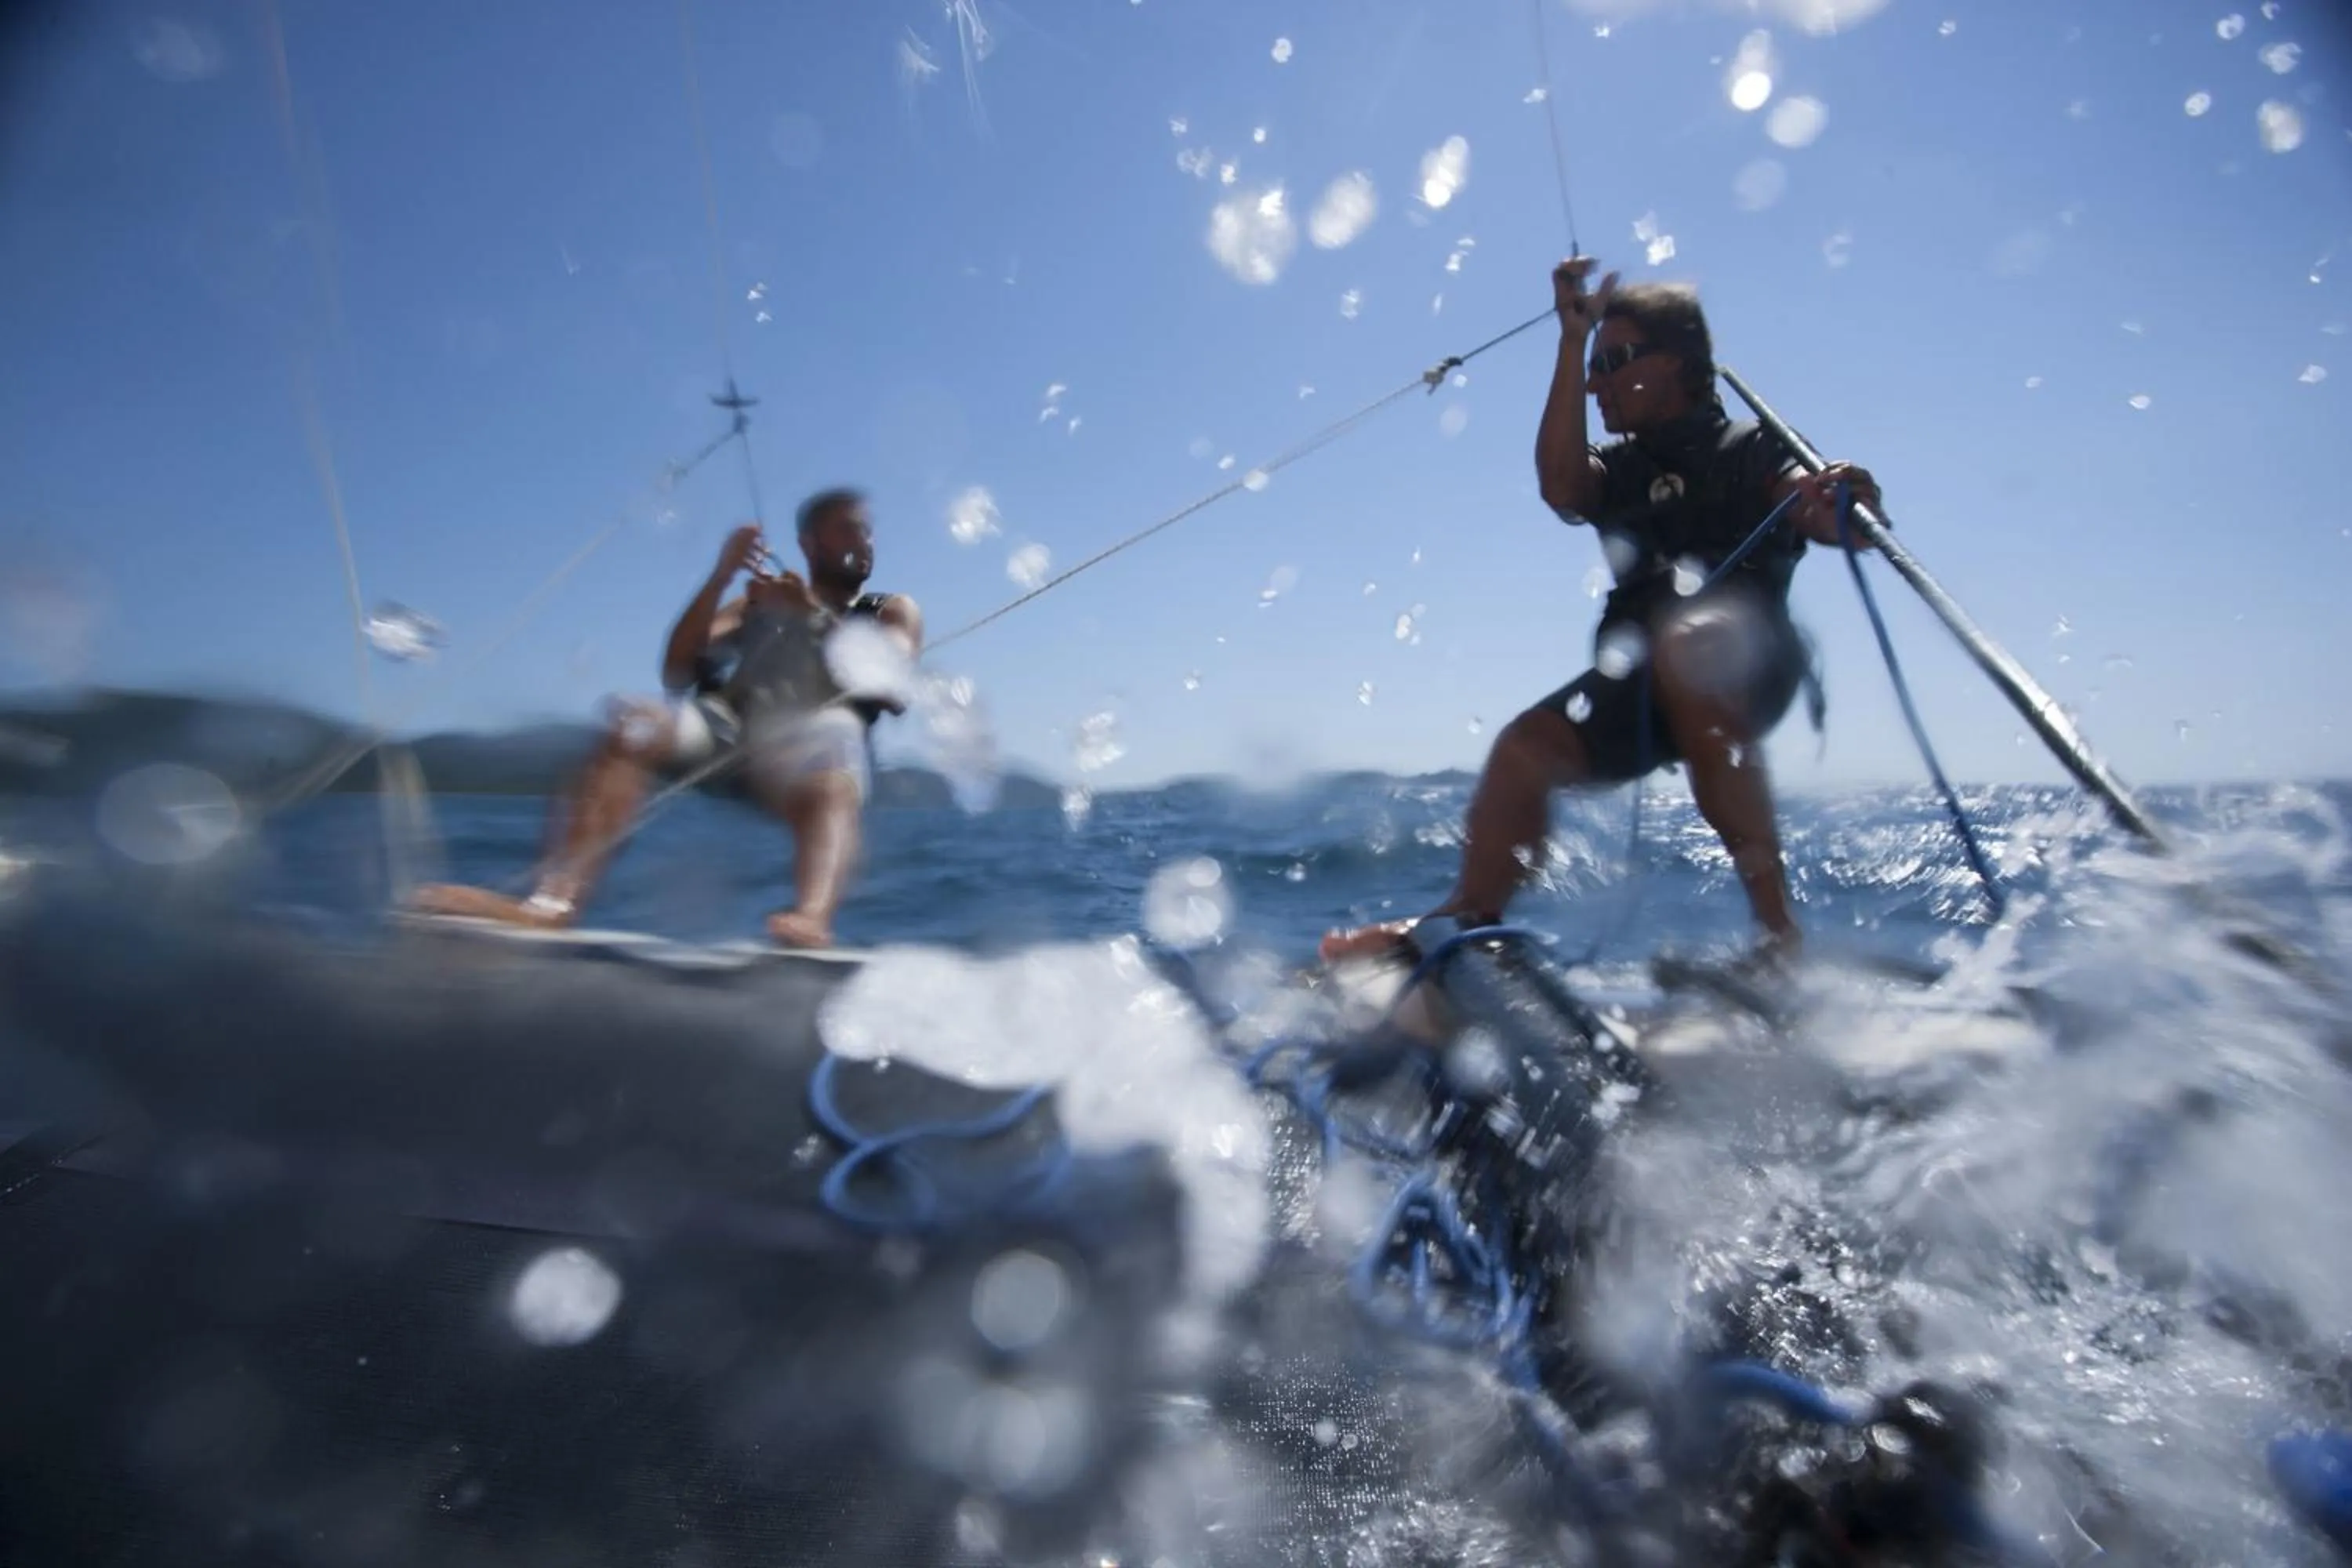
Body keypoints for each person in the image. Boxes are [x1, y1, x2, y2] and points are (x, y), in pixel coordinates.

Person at [1322, 257, 1880, 969]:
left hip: (1750, 665)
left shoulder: (1750, 447)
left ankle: (1779, 936)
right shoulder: (1622, 470)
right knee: (1523, 748)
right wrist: (1569, 338)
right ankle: (1465, 921)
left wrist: (1846, 505)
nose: (1595, 382)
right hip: (1644, 687)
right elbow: (1562, 487)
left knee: (1692, 643)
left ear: (1679, 365)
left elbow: (1818, 506)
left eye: (1610, 362)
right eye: (1592, 366)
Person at [410, 487, 922, 949]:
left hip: (809, 756)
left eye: (868, 529)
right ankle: (549, 906)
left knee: (839, 736)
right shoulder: (758, 601)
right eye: (850, 527)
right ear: (811, 543)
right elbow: (678, 669)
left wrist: (809, 615)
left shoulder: (888, 608)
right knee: (634, 720)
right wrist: (721, 577)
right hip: (729, 735)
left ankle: (811, 921)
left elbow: (893, 684)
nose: (866, 539)